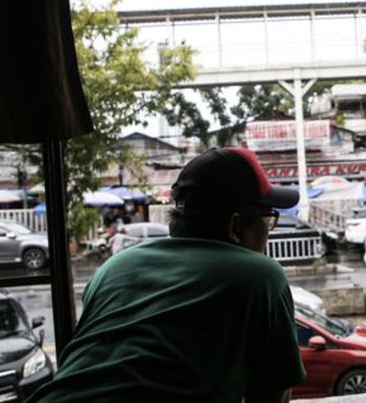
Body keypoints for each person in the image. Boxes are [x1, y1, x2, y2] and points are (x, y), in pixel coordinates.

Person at [27, 148, 306, 403]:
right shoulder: (261, 276)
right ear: (235, 226)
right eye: (268, 219)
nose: (269, 231)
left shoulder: (116, 266)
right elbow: (272, 396)